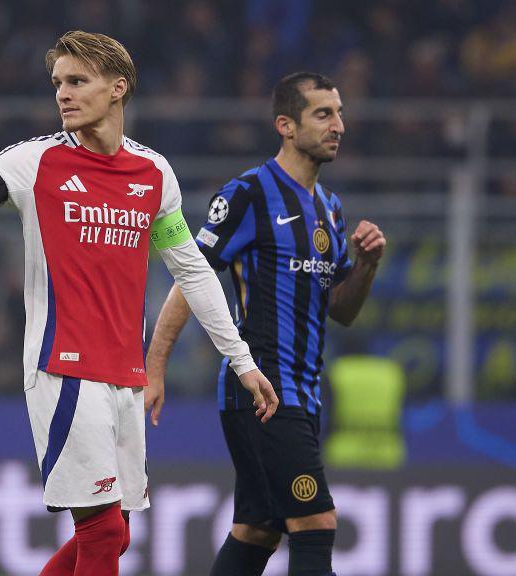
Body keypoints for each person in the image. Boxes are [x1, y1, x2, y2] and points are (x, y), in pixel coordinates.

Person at [0, 30, 279, 576]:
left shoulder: (154, 175)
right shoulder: (33, 163)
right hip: (62, 367)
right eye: (58, 83)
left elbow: (191, 269)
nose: (63, 94)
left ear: (118, 89)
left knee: (116, 533)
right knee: (102, 529)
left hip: (125, 373)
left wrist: (242, 361)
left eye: (77, 81)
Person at [145, 72, 386, 576]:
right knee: (316, 522)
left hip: (305, 393)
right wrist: (156, 364)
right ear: (287, 126)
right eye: (323, 114)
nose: (338, 125)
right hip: (263, 393)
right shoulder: (249, 194)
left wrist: (365, 265)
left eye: (339, 113)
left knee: (258, 530)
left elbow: (340, 309)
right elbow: (191, 276)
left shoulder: (331, 210)